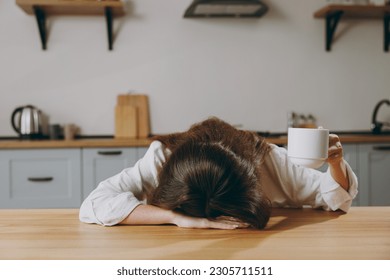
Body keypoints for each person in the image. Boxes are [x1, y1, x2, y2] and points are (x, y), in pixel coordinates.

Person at [79, 117, 358, 230]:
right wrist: (176, 218)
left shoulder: (268, 160)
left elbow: (334, 197)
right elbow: (93, 204)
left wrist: (334, 164)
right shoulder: (161, 158)